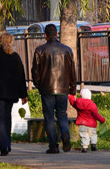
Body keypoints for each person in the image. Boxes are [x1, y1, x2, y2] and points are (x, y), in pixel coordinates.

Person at [31, 24, 77, 153]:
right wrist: (73, 88)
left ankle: (53, 145)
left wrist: (39, 86)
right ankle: (65, 133)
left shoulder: (40, 50)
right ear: (57, 34)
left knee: (49, 116)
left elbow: (35, 72)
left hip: (47, 88)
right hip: (63, 88)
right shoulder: (67, 50)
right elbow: (72, 71)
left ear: (45, 35)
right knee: (62, 114)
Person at [0, 32, 28, 156]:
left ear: (0, 42)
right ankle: (7, 143)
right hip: (11, 93)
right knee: (7, 118)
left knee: (0, 119)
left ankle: (4, 146)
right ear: (11, 42)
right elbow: (21, 77)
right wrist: (24, 94)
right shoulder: (15, 57)